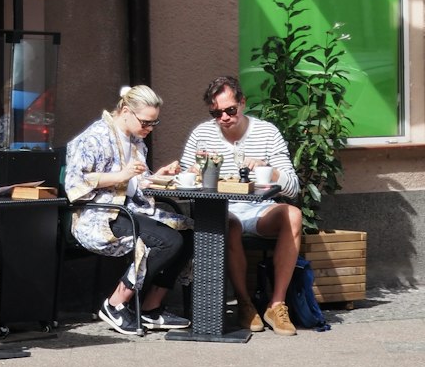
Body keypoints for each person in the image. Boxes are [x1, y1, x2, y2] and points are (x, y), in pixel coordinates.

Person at [65, 84, 193, 336]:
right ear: (125, 111)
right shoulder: (94, 138)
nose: (149, 129)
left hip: (131, 210)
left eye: (154, 123)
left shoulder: (136, 141)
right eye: (146, 122)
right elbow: (74, 185)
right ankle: (115, 303)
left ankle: (150, 307)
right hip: (100, 214)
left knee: (188, 233)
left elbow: (136, 184)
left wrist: (158, 176)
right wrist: (120, 176)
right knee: (166, 241)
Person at [180, 74, 302, 336]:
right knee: (230, 224)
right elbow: (183, 181)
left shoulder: (267, 132)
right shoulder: (202, 134)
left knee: (293, 215)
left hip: (260, 210)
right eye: (216, 113)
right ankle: (244, 305)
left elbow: (293, 186)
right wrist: (192, 172)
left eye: (230, 110)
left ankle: (277, 304)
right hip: (223, 210)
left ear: (243, 103)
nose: (223, 117)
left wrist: (270, 170)